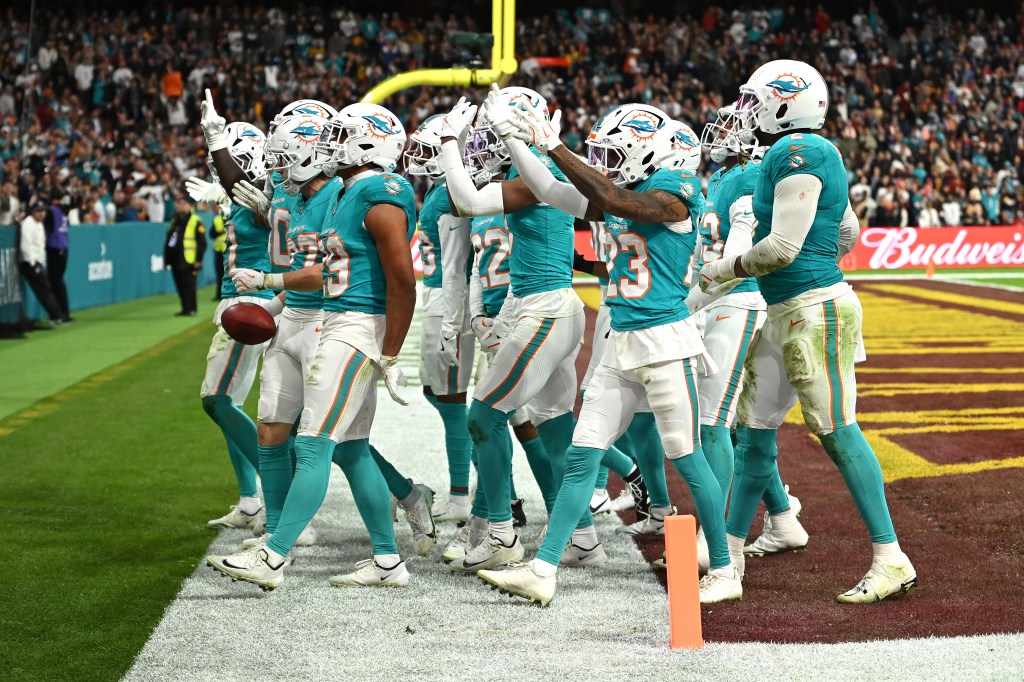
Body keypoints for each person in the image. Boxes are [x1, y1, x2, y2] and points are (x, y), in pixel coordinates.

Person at [475, 97, 740, 606]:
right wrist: (515, 138)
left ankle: (726, 568)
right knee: (581, 455)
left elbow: (618, 203)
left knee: (686, 456)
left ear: (650, 153)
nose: (607, 162)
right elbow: (550, 190)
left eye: (617, 153)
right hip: (623, 341)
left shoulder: (678, 189)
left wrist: (552, 143)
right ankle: (544, 568)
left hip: (666, 342)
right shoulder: (625, 190)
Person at [701, 59, 916, 603]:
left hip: (815, 308)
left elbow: (781, 249)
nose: (746, 111)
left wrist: (723, 270)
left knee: (838, 431)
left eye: (755, 100)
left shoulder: (803, 152)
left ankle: (891, 558)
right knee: (753, 433)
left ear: (783, 102)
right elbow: (847, 231)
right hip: (787, 309)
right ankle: (728, 566)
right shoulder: (795, 154)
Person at [211, 104, 430, 590]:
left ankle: (272, 557)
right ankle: (388, 561)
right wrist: (276, 298)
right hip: (334, 318)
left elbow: (401, 278)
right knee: (348, 444)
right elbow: (334, 269)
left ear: (367, 143)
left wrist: (391, 351)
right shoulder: (347, 192)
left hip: (355, 327)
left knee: (313, 445)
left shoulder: (380, 191)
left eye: (339, 135)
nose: (328, 144)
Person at [185, 121, 277, 533]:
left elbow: (274, 222)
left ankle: (280, 491)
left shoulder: (265, 198)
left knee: (217, 400)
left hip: (251, 301)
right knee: (229, 406)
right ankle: (250, 501)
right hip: (242, 298)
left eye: (231, 162)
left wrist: (261, 207)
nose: (220, 170)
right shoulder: (248, 193)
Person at [19, 202, 69, 325]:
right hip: (29, 263)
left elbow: (41, 246)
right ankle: (57, 316)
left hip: (38, 262)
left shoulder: (39, 224)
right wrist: (32, 263)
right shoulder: (28, 224)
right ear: (32, 212)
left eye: (43, 211)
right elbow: (25, 245)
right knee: (45, 290)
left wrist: (41, 263)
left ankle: (57, 315)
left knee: (46, 289)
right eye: (39, 211)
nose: (42, 214)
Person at [164, 195, 206, 317]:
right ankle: (184, 308)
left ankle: (191, 308)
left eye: (183, 203)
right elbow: (169, 241)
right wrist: (167, 259)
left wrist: (198, 259)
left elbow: (201, 243)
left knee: (189, 285)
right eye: (178, 204)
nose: (179, 206)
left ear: (190, 205)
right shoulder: (174, 220)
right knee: (180, 285)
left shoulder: (195, 220)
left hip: (189, 258)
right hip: (176, 259)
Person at [44, 201, 71, 320]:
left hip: (54, 249)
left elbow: (47, 229)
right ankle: (64, 312)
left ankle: (61, 314)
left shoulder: (51, 211)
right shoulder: (63, 211)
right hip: (64, 249)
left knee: (55, 283)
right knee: (59, 282)